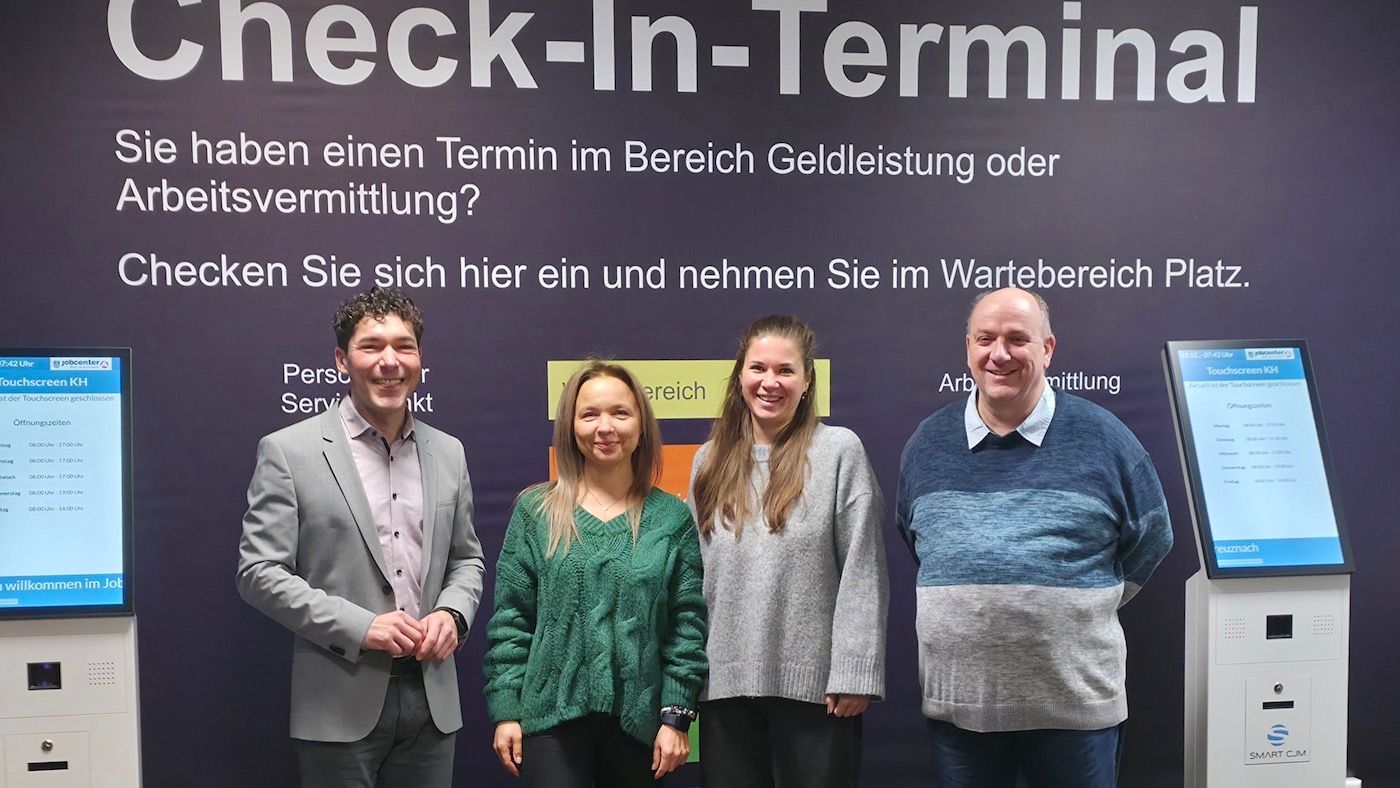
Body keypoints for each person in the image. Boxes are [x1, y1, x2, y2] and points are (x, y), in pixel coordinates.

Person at [895, 287, 1174, 788]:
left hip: (1075, 707)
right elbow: (916, 540)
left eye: (1017, 339)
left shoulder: (1104, 438)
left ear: (1047, 349)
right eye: (985, 339)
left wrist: (1084, 603)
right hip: (962, 710)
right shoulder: (926, 444)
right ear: (968, 348)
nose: (998, 354)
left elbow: (1152, 536)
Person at [236, 287, 485, 788]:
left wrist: (453, 614)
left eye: (404, 346)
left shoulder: (448, 452)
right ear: (341, 359)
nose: (389, 361)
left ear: (419, 359)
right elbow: (258, 573)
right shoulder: (288, 451)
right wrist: (360, 626)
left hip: (432, 702)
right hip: (337, 702)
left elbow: (467, 560)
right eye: (371, 346)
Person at [483, 360, 707, 787]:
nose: (605, 427)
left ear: (641, 425)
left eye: (620, 413)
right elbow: (512, 620)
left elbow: (686, 627)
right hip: (548, 723)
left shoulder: (671, 519)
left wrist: (676, 716)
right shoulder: (536, 512)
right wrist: (506, 709)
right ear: (571, 426)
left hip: (639, 727)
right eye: (589, 414)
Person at [689, 314, 889, 788]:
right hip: (724, 692)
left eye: (785, 370)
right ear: (740, 376)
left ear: (807, 381)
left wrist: (855, 671)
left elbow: (863, 568)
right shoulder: (709, 460)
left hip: (818, 696)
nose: (770, 382)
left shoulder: (839, 451)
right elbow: (695, 578)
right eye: (758, 368)